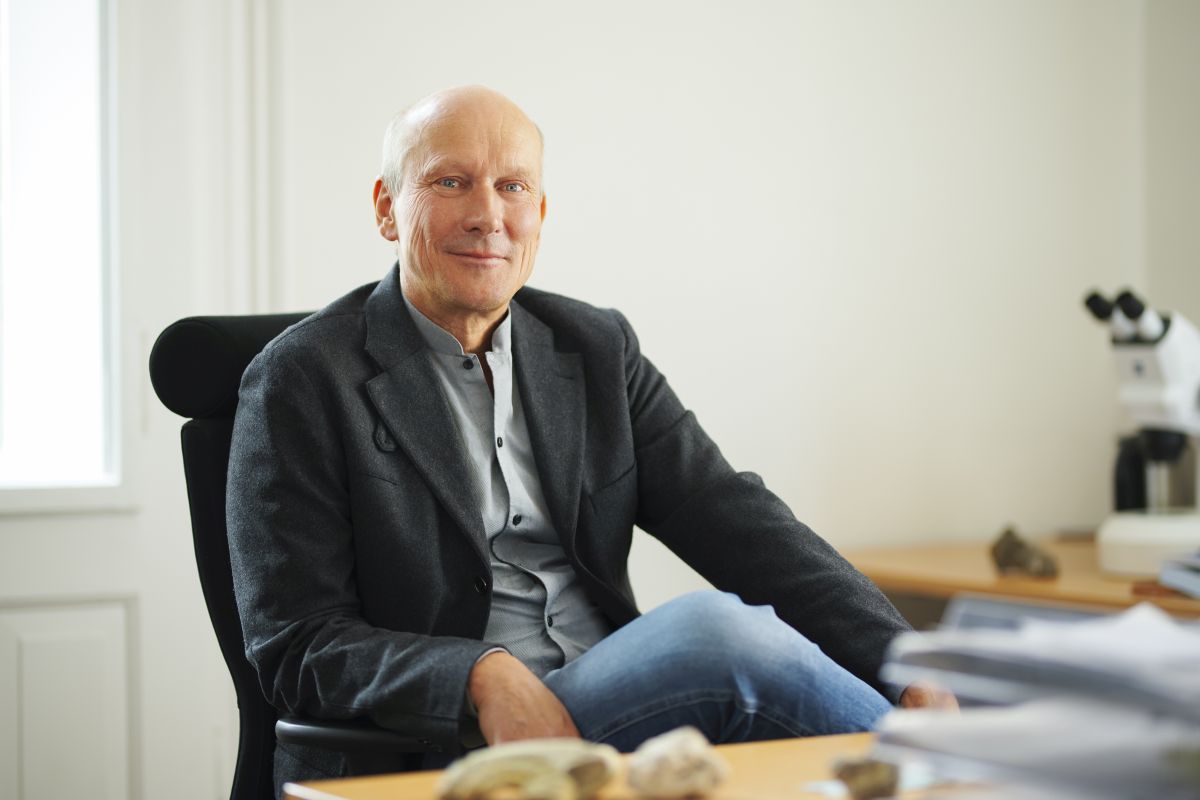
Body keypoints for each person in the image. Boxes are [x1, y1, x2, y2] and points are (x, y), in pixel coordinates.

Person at [227, 85, 949, 791]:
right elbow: (298, 642)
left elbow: (737, 520)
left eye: (513, 187)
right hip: (439, 743)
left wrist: (900, 661)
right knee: (715, 638)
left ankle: (949, 768)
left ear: (540, 214)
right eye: (450, 182)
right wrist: (477, 674)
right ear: (387, 208)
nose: (487, 216)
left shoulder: (596, 347)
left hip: (616, 718)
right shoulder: (302, 378)